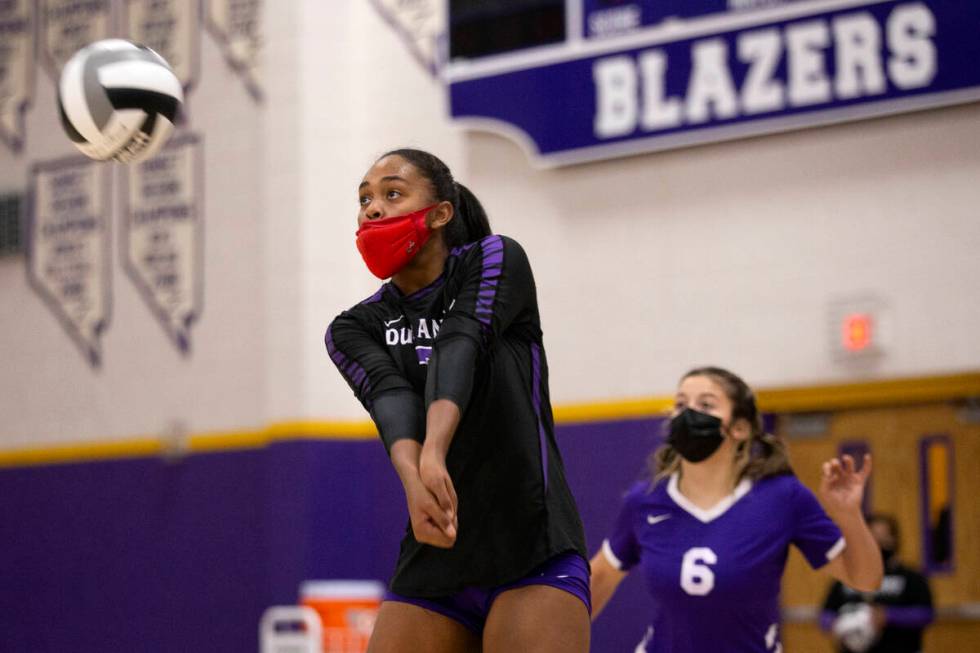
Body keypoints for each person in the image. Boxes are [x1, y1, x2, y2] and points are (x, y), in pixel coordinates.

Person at [325, 148, 590, 652]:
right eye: (364, 199)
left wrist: (434, 451)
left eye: (392, 193)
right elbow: (392, 400)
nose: (372, 208)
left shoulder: (495, 259)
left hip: (531, 545)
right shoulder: (353, 328)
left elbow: (459, 342)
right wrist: (414, 478)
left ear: (441, 213)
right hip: (438, 550)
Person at [589, 366, 884, 653]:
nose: (688, 413)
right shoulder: (646, 500)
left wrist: (848, 515)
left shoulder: (782, 497)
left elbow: (865, 579)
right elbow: (599, 578)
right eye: (681, 404)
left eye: (705, 404)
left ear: (740, 428)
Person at [821, 513, 935, 653]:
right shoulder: (848, 577)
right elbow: (825, 614)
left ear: (894, 539)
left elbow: (926, 614)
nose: (877, 543)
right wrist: (838, 624)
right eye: (872, 537)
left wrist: (887, 616)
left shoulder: (911, 578)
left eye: (882, 537)